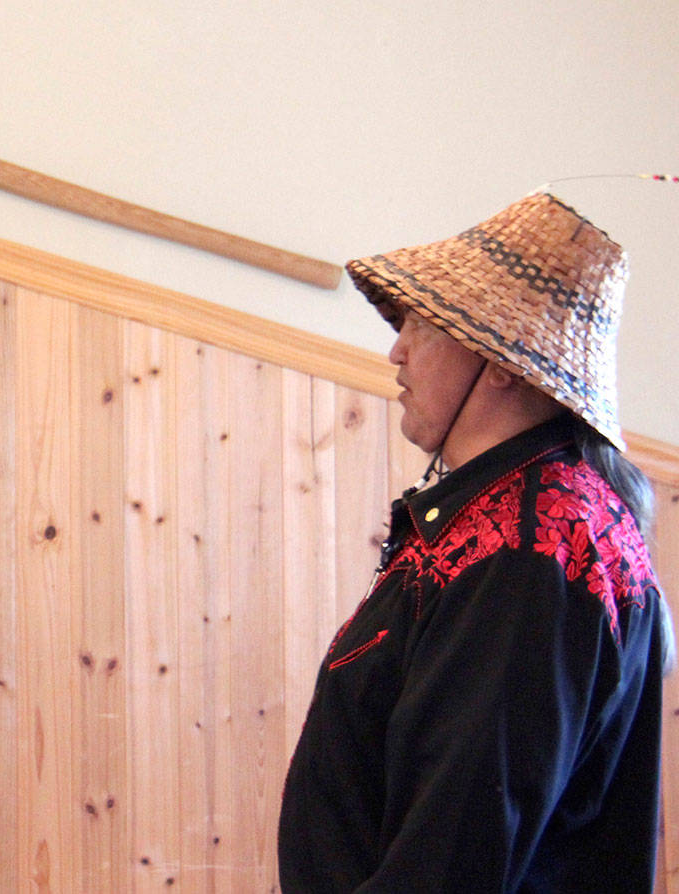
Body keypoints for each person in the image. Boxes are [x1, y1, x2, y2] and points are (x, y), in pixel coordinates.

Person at [278, 191, 671, 891]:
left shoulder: (532, 546)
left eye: (421, 328)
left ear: (502, 363)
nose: (395, 350)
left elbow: (454, 856)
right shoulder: (517, 519)